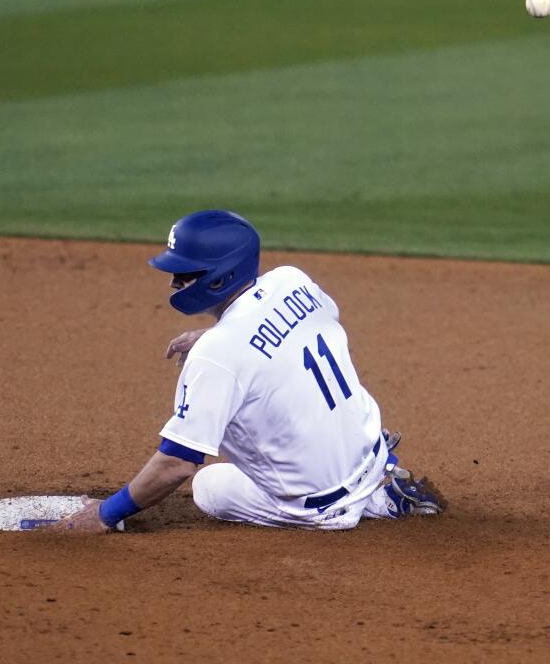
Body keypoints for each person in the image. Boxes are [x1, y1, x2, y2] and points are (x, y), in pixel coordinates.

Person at [48, 209, 444, 533]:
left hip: (318, 506)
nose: (173, 282)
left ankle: (341, 508)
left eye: (185, 274)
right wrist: (219, 335)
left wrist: (104, 514)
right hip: (372, 455)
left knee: (208, 487)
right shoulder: (292, 280)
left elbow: (177, 464)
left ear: (220, 276)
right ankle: (381, 492)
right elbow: (307, 326)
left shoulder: (217, 356)